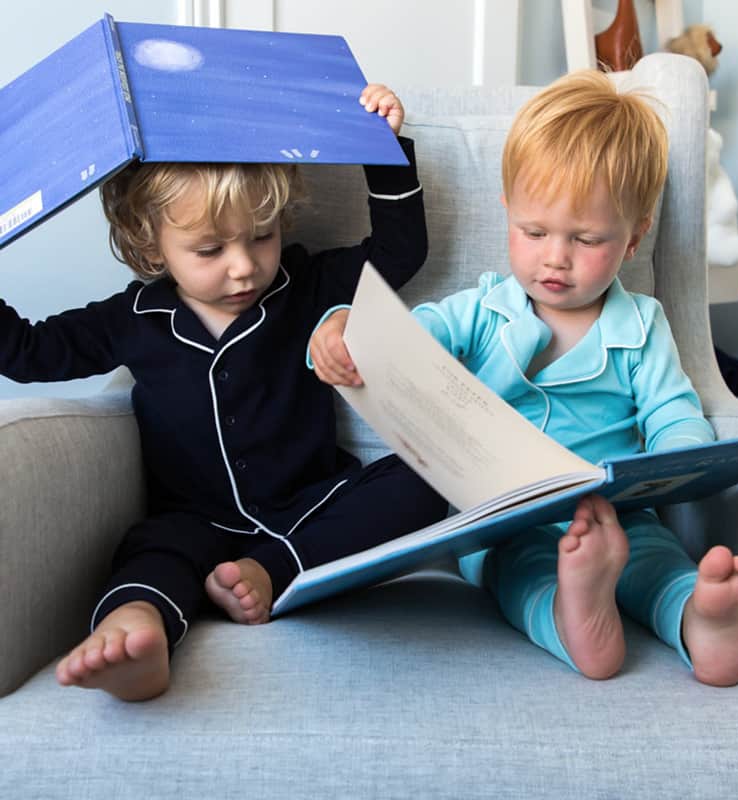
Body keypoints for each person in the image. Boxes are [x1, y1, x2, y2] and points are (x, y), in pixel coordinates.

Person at [308, 70, 738, 686]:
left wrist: (678, 466)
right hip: (501, 520)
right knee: (517, 572)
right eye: (534, 233)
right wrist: (338, 327)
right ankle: (573, 618)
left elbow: (674, 414)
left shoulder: (640, 323)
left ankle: (702, 620)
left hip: (615, 515)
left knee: (656, 561)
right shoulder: (480, 310)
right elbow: (401, 339)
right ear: (508, 212)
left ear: (634, 239)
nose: (555, 256)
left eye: (586, 239)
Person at [0, 84, 448, 701]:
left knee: (426, 478)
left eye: (260, 237)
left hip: (308, 510)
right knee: (150, 554)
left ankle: (272, 572)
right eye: (209, 250)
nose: (242, 267)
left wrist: (382, 146)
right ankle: (139, 629)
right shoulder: (129, 318)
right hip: (191, 520)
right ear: (151, 242)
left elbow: (401, 252)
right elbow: (27, 353)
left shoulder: (306, 284)